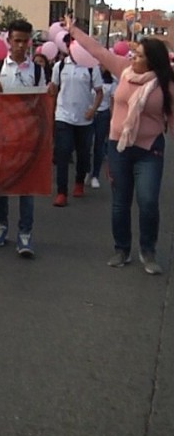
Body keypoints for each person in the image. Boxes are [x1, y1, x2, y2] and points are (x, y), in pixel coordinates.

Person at [69, 20, 174, 275]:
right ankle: (122, 249)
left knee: (148, 201)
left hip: (150, 149)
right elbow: (97, 50)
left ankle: (148, 251)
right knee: (120, 202)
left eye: (138, 56)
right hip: (119, 147)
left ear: (152, 61)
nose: (132, 58)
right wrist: (73, 30)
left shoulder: (165, 85)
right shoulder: (124, 70)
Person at [0, 19, 47, 258]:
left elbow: (42, 103)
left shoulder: (38, 71)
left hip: (27, 137)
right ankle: (1, 227)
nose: (21, 45)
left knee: (26, 187)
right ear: (9, 41)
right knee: (1, 185)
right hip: (1, 136)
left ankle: (25, 233)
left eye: (25, 41)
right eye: (16, 41)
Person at [48, 42, 103, 207]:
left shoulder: (92, 68)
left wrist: (93, 110)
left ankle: (79, 182)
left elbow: (99, 92)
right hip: (63, 116)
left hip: (84, 118)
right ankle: (62, 192)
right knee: (62, 154)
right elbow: (54, 89)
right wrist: (52, 110)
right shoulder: (60, 65)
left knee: (83, 153)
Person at [89, 66, 115, 189]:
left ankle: (95, 175)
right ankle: (85, 171)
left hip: (103, 115)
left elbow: (113, 103)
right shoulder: (89, 77)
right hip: (88, 114)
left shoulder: (112, 82)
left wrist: (113, 120)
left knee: (99, 146)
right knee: (85, 145)